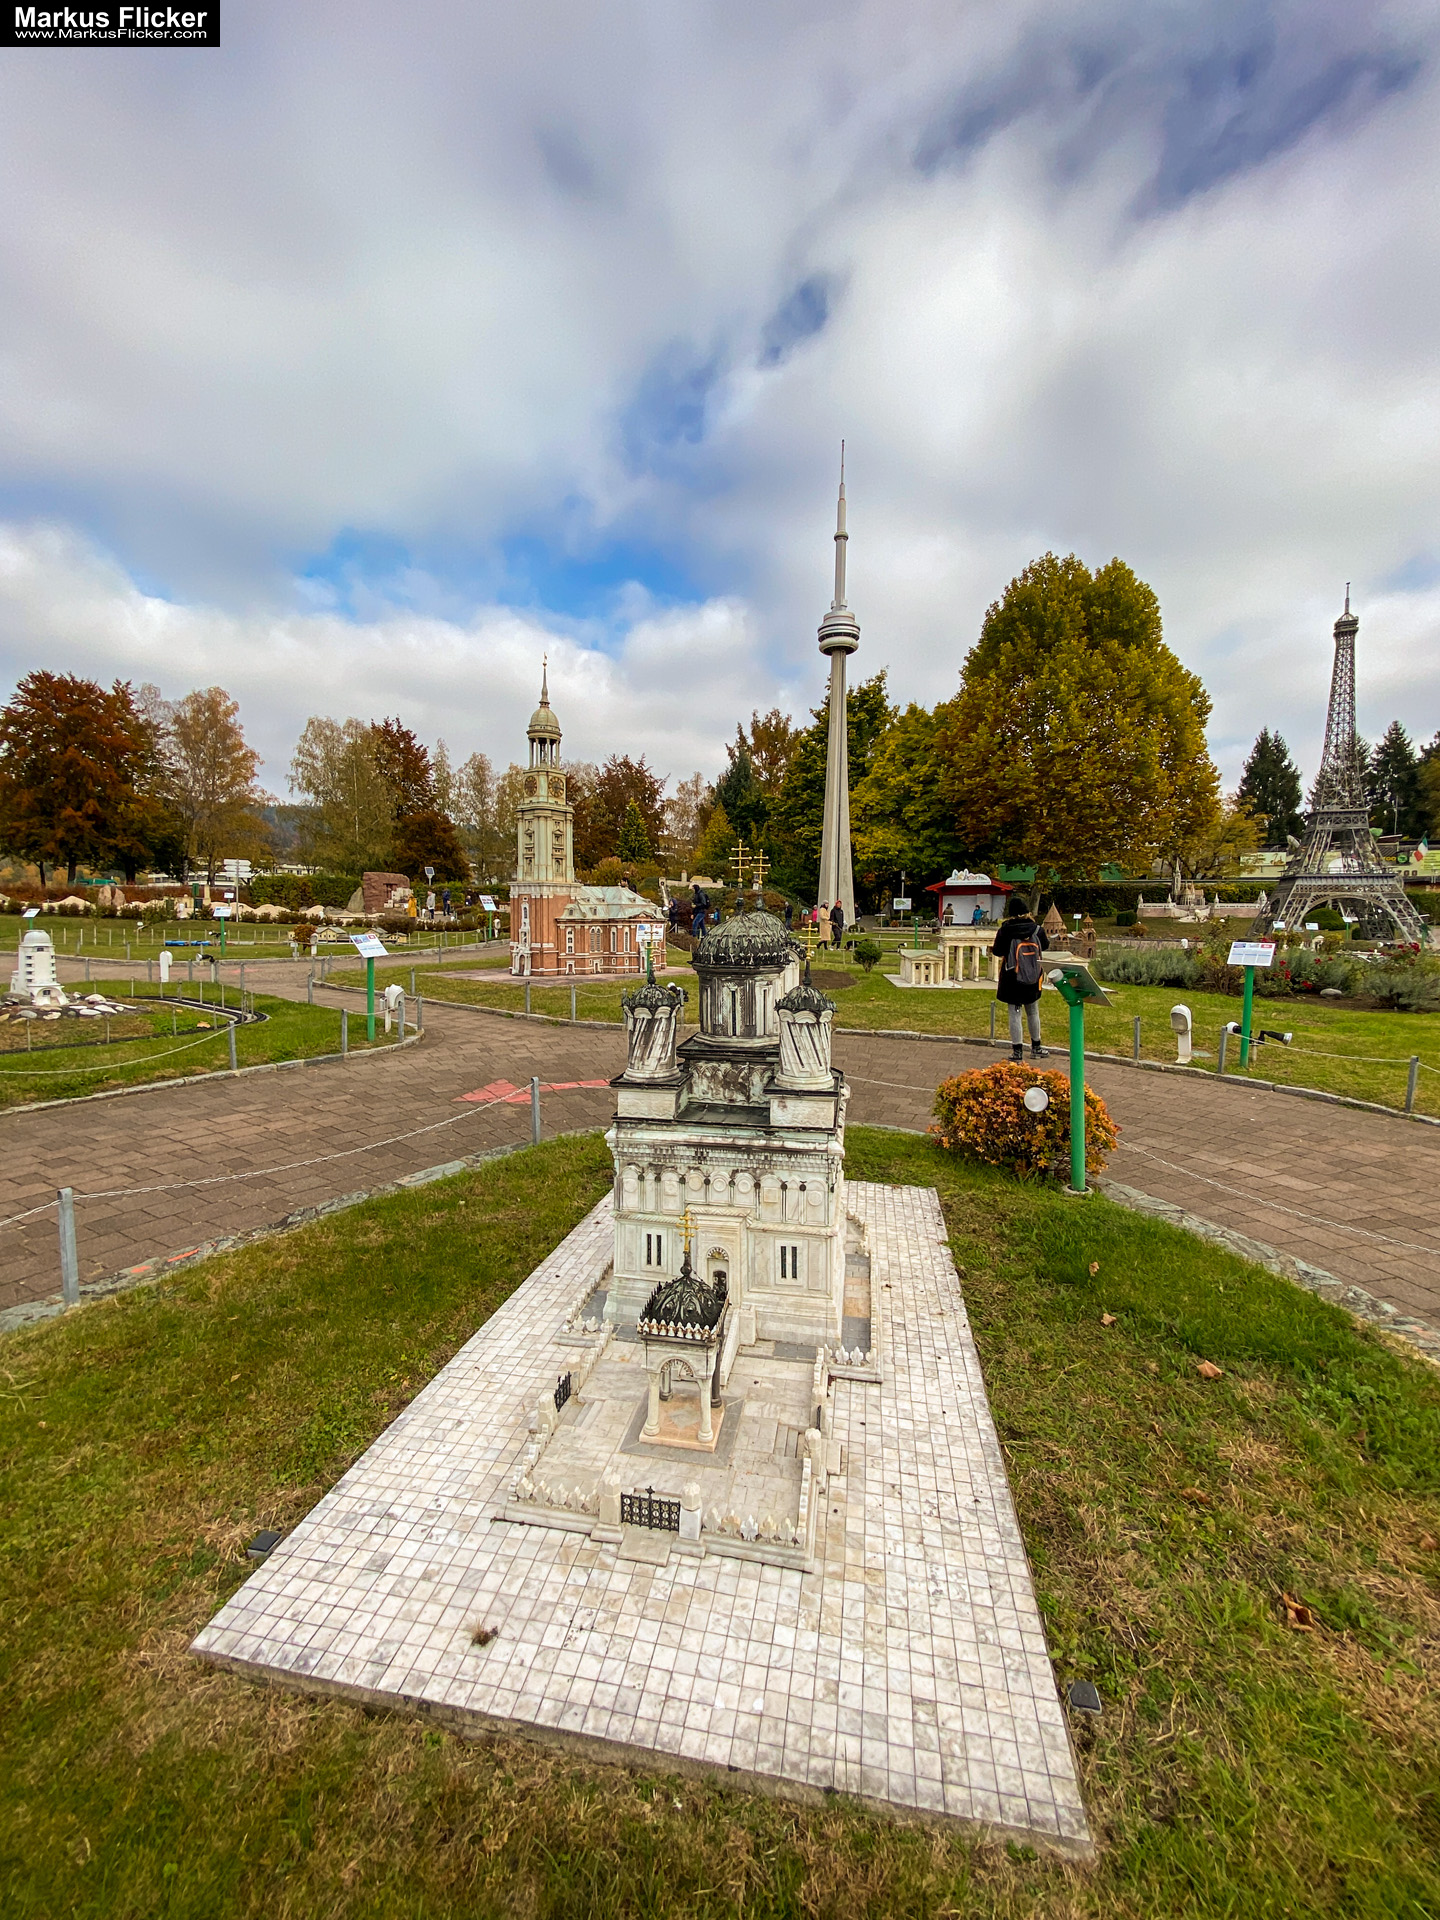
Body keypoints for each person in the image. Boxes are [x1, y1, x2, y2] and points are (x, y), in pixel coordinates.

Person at [992, 895, 1049, 1062]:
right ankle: (1036, 1047)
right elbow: (1045, 945)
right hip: (1033, 975)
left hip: (1012, 977)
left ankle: (1017, 1051)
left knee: (1014, 1013)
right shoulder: (1037, 929)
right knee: (1033, 1011)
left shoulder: (1005, 931)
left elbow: (997, 951)